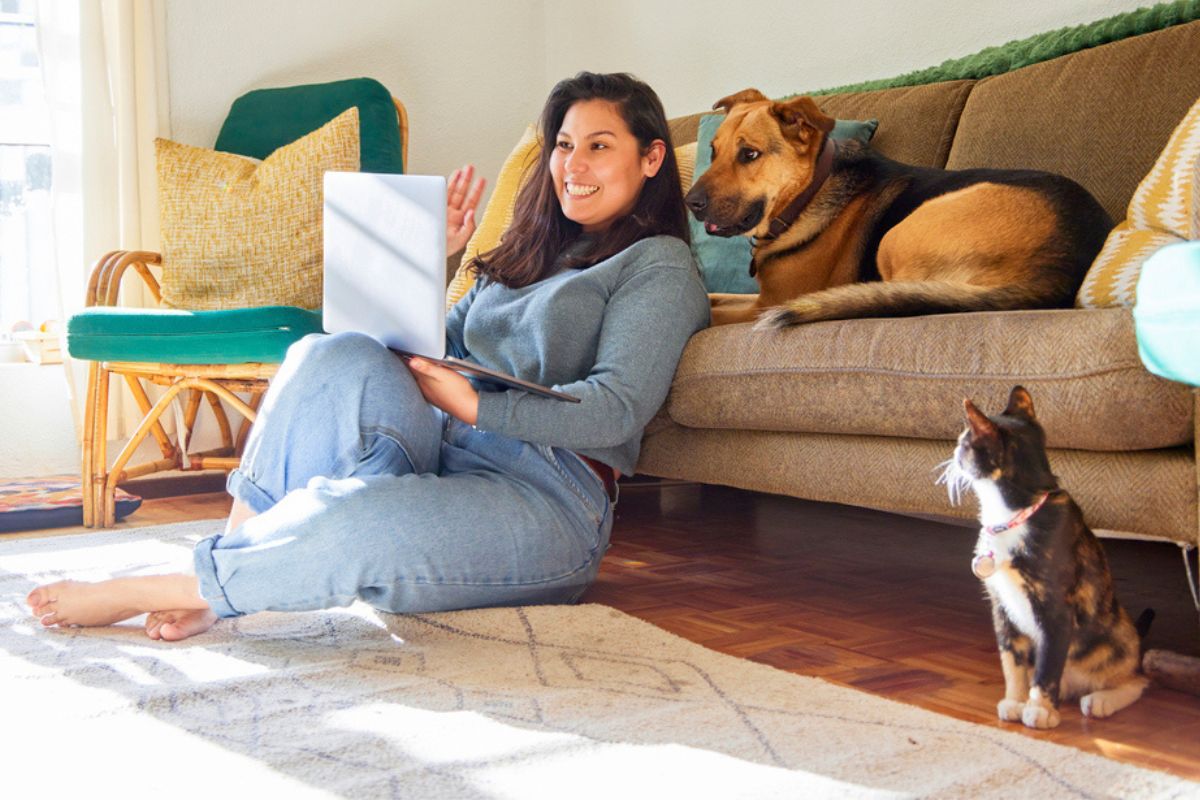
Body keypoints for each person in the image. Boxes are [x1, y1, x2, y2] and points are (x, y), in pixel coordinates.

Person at [26, 71, 710, 641]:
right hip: (440, 445)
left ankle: (175, 585)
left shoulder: (659, 266)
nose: (573, 165)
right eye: (563, 145)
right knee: (331, 352)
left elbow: (615, 411)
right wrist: (428, 255)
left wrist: (477, 406)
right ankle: (230, 568)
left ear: (651, 159)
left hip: (547, 496)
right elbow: (426, 351)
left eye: (598, 145)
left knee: (352, 520)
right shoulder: (521, 255)